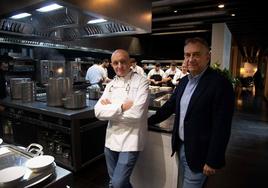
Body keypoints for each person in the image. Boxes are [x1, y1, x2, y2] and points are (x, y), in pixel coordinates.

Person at [148, 37, 235, 188]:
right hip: (181, 146)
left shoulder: (220, 84)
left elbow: (222, 126)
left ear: (207, 56)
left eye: (196, 54)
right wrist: (147, 121)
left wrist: (213, 159)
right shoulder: (184, 82)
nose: (191, 59)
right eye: (187, 55)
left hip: (200, 152)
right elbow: (169, 107)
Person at [94, 49, 150, 188]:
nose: (119, 66)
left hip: (131, 140)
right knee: (114, 183)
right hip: (111, 139)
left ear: (130, 62)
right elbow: (98, 112)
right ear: (112, 65)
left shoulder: (142, 82)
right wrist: (121, 107)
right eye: (115, 63)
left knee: (118, 184)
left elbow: (137, 115)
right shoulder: (111, 85)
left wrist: (111, 108)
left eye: (123, 62)